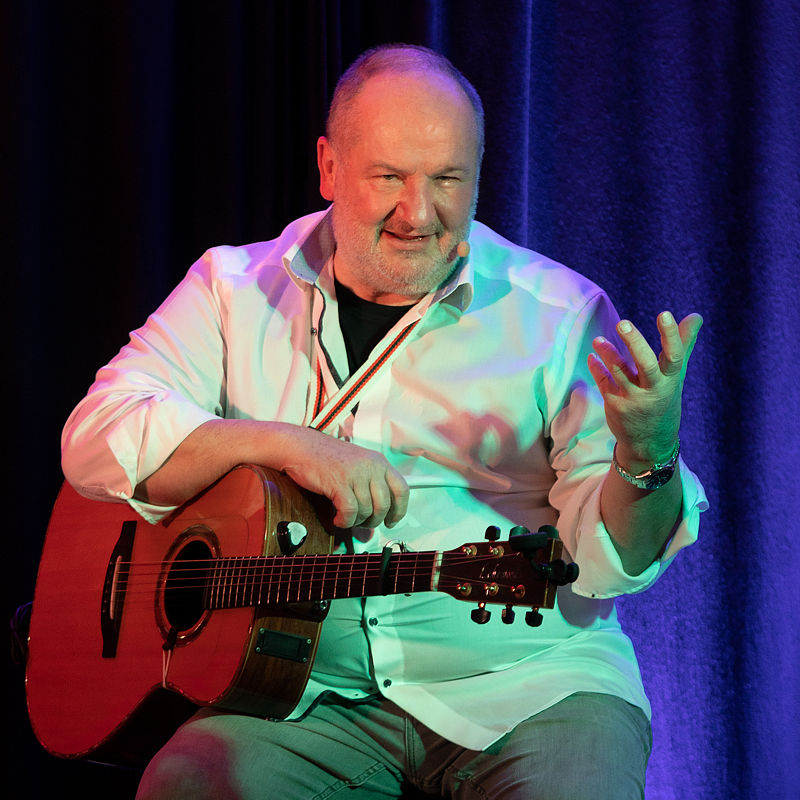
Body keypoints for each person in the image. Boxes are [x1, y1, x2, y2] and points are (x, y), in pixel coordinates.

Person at [62, 44, 706, 800]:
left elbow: (609, 565)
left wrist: (647, 455)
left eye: (447, 179)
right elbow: (95, 439)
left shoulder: (559, 313)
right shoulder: (230, 288)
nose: (419, 213)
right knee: (185, 786)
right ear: (329, 167)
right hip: (302, 693)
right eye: (390, 177)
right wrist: (283, 445)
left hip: (529, 685)